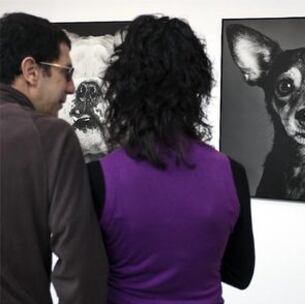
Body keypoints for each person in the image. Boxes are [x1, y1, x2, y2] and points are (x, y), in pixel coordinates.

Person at [87, 14, 255, 304]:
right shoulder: (231, 173)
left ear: (123, 87)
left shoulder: (98, 177)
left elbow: (86, 271)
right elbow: (240, 274)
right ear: (197, 86)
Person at [0, 12, 108, 304]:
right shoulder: (51, 136)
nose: (71, 88)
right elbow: (80, 264)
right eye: (66, 73)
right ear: (31, 71)